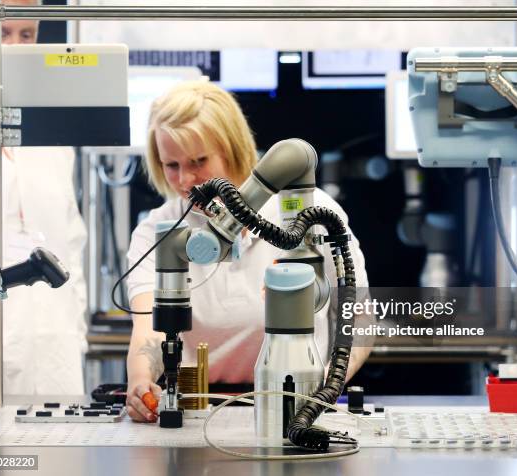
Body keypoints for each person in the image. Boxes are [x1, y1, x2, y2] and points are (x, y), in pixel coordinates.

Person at [126, 81, 370, 423]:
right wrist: (140, 382)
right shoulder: (157, 230)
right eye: (172, 165)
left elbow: (360, 320)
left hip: (296, 406)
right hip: (196, 410)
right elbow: (147, 328)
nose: (187, 180)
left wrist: (325, 388)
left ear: (233, 147)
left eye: (199, 160)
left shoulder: (308, 212)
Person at [0, 0, 88, 395]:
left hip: (52, 346)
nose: (14, 47)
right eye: (4, 33)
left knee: (54, 453)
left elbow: (71, 243)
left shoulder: (54, 141)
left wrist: (75, 335)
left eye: (26, 35)